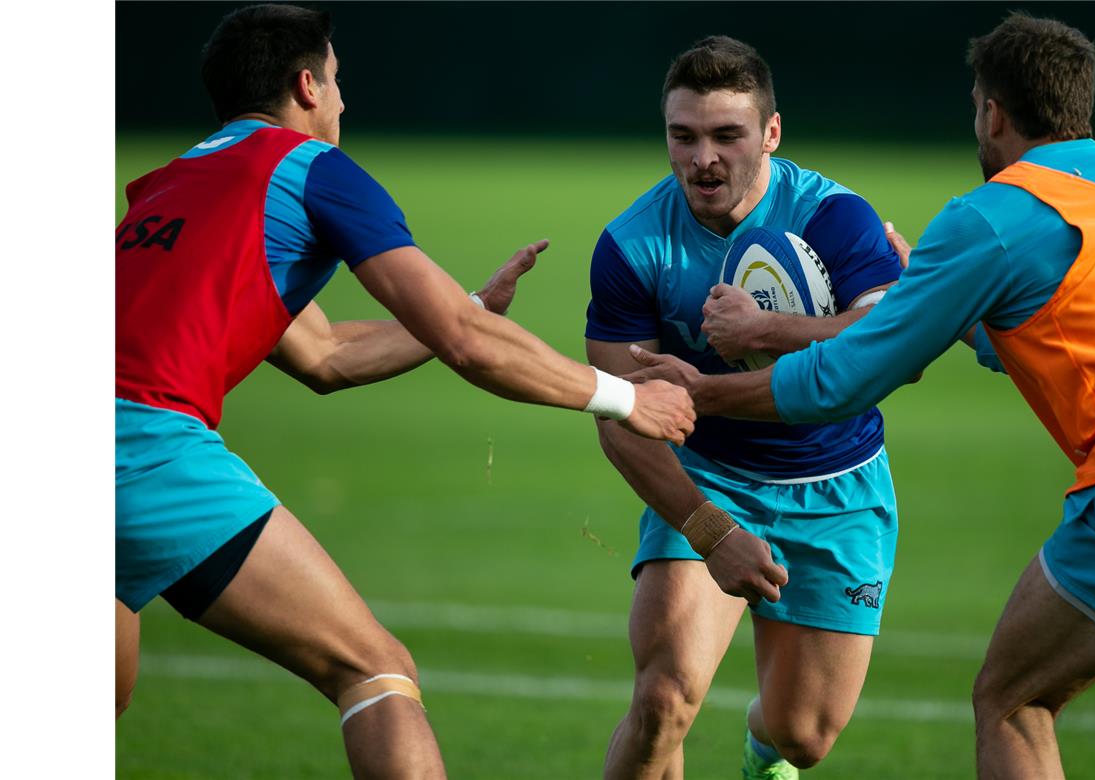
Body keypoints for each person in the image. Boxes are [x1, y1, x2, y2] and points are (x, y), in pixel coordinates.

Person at [625, 14, 1095, 778]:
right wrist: (943, 303)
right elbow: (1065, 327)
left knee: (1012, 704)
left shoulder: (992, 215)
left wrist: (705, 391)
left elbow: (849, 377)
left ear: (992, 112)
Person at [115, 5, 693, 778]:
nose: (345, 104)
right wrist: (624, 398)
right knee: (374, 672)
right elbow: (462, 342)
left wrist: (475, 311)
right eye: (340, 82)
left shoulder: (170, 183)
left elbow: (323, 355)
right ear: (307, 84)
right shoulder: (314, 170)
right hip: (143, 448)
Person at [588, 36, 908, 780]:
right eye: (684, 135)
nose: (703, 158)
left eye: (727, 135)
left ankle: (766, 753)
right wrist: (709, 529)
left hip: (839, 483)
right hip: (710, 476)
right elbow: (620, 419)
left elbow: (892, 342)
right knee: (664, 699)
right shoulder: (633, 246)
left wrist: (767, 329)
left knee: (805, 735)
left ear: (770, 133)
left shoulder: (835, 217)